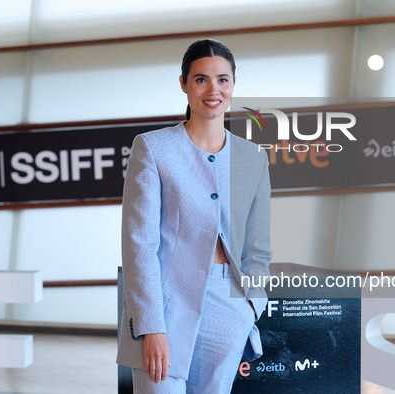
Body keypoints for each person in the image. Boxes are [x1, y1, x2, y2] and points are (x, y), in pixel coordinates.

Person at [116, 38, 272, 394]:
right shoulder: (153, 148)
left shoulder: (252, 158)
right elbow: (140, 244)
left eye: (223, 79)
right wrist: (151, 326)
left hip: (229, 306)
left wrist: (250, 306)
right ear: (184, 83)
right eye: (201, 79)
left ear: (233, 84)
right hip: (166, 304)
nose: (213, 89)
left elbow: (257, 245)